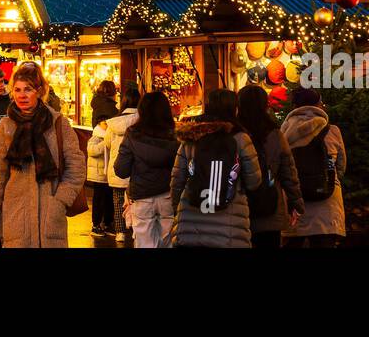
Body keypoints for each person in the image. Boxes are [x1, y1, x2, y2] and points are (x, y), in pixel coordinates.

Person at [0, 61, 84, 248]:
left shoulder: (58, 123)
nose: (22, 95)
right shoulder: (6, 126)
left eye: (28, 89)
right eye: (17, 89)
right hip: (16, 214)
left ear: (39, 91)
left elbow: (76, 168)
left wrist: (60, 200)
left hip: (50, 213)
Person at [169, 88, 261, 248]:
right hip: (229, 227)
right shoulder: (240, 138)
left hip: (191, 222)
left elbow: (177, 181)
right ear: (235, 110)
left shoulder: (191, 138)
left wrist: (179, 208)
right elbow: (254, 182)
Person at [237, 83, 303, 248]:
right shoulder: (275, 134)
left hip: (240, 211)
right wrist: (296, 202)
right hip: (270, 208)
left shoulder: (234, 134)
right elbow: (289, 172)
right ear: (265, 105)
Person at [280, 87, 347, 248]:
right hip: (327, 202)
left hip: (295, 205)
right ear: (319, 105)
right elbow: (341, 167)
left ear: (294, 106)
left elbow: (279, 168)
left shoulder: (283, 132)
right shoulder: (333, 131)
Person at [114, 90, 178, 248]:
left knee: (144, 242)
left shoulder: (132, 135)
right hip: (168, 195)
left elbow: (121, 170)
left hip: (142, 196)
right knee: (168, 241)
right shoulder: (175, 136)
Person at [92, 84, 140, 242]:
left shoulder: (113, 123)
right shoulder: (141, 121)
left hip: (117, 167)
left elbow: (106, 143)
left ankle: (120, 232)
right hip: (136, 169)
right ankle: (135, 229)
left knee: (118, 201)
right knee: (137, 201)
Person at [86, 111, 113, 236]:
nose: (106, 125)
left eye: (108, 122)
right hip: (98, 174)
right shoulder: (96, 136)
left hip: (107, 174)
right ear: (99, 123)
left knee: (108, 199)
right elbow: (92, 151)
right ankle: (96, 225)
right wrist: (105, 143)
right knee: (98, 200)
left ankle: (107, 224)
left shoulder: (109, 135)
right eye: (104, 123)